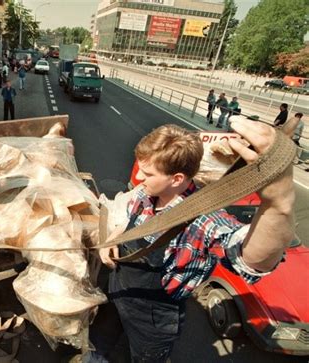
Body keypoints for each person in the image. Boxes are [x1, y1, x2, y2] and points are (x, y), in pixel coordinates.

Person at [86, 121, 295, 363]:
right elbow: (132, 218)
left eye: (148, 173)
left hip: (153, 319)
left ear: (176, 179)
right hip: (118, 296)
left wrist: (279, 204)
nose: (139, 177)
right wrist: (117, 236)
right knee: (98, 344)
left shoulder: (203, 219)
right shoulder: (146, 193)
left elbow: (251, 261)